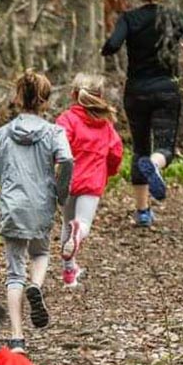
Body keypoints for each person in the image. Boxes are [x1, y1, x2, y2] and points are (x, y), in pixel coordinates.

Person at [101, 0, 183, 227]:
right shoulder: (173, 17)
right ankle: (155, 164)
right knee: (165, 147)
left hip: (136, 90)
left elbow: (112, 46)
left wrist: (106, 47)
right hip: (166, 89)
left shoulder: (129, 18)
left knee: (139, 148)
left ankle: (143, 212)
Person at [0, 69, 73, 353]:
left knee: (13, 273)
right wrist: (61, 191)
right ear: (45, 101)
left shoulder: (2, 134)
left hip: (12, 206)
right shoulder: (54, 132)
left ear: (17, 97)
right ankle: (36, 284)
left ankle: (17, 338)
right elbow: (67, 160)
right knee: (41, 253)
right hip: (41, 205)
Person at [56, 73, 124, 287]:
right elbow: (116, 153)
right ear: (100, 96)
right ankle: (78, 235)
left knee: (67, 225)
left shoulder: (66, 119)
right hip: (92, 183)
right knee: (82, 224)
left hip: (68, 181)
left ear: (73, 94)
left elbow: (58, 146)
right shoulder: (105, 124)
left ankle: (69, 272)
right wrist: (110, 171)